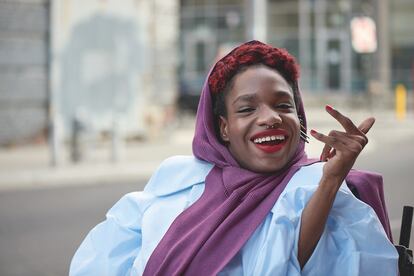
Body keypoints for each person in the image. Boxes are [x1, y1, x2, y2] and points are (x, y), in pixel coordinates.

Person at [70, 40, 398, 275]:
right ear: (223, 128)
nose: (270, 117)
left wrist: (329, 182)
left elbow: (301, 261)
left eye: (284, 105)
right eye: (247, 108)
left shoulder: (315, 184)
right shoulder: (180, 179)